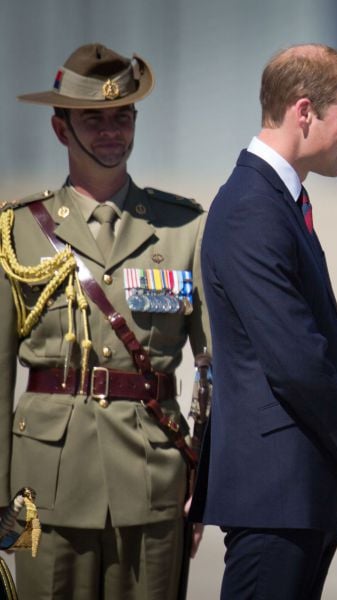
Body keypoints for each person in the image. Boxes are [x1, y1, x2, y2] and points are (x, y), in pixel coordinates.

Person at [0, 43, 209, 599]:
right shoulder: (17, 230)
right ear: (60, 128)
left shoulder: (183, 229)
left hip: (153, 479)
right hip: (45, 485)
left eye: (123, 116)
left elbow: (218, 371)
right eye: (94, 119)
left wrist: (208, 483)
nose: (112, 130)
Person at [191, 44, 337, 599]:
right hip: (274, 492)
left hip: (295, 493)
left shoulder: (277, 200)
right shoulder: (254, 206)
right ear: (304, 112)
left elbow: (316, 343)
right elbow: (296, 361)